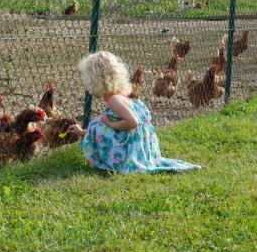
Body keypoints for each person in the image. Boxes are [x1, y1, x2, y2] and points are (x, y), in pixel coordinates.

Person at [67, 51, 201, 174]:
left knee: (101, 121)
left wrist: (108, 122)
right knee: (100, 121)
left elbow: (132, 122)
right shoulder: (119, 96)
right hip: (140, 149)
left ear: (95, 79)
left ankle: (110, 162)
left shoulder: (114, 101)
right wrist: (82, 132)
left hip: (131, 152)